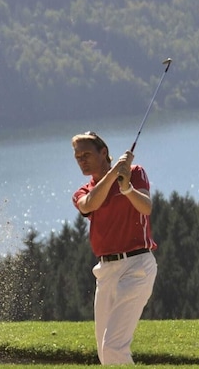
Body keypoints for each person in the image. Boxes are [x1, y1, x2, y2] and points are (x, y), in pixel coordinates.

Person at [71, 131, 157, 365]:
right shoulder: (84, 191)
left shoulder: (135, 173)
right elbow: (90, 204)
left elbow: (146, 207)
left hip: (137, 266)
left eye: (86, 154)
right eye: (78, 157)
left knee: (113, 348)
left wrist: (126, 186)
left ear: (104, 152)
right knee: (105, 353)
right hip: (106, 271)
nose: (82, 160)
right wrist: (112, 175)